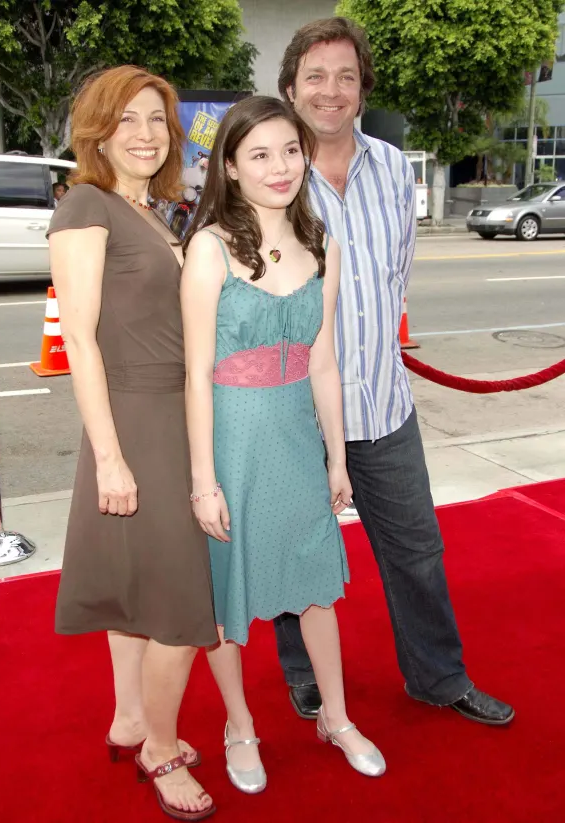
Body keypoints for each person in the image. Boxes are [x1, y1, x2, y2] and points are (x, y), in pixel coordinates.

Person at [273, 17, 515, 727]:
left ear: (363, 88)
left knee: (417, 552)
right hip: (293, 414)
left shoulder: (392, 168)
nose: (331, 90)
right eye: (316, 76)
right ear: (290, 87)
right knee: (297, 555)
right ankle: (303, 673)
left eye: (346, 76)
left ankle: (439, 677)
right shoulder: (270, 172)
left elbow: (395, 277)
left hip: (383, 405)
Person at [181, 95, 386, 793]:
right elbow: (196, 376)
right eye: (260, 154)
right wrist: (203, 480)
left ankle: (336, 715)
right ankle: (239, 724)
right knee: (226, 592)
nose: (280, 167)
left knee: (317, 583)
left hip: (298, 435)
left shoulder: (322, 243)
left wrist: (337, 456)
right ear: (231, 167)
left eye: (291, 151)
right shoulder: (208, 248)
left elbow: (323, 361)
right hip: (232, 440)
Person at [48, 65, 217, 821]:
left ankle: (128, 719)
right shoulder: (87, 204)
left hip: (170, 413)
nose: (146, 134)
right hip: (136, 419)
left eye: (157, 119)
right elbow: (80, 340)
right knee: (181, 599)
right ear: (97, 130)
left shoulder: (147, 210)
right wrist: (111, 458)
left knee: (137, 587)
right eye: (127, 119)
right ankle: (160, 746)